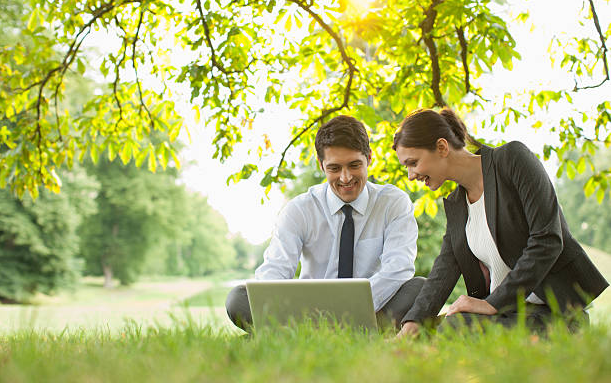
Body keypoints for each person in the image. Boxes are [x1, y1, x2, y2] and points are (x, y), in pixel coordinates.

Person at [393, 108, 608, 337]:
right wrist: (413, 323)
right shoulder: (457, 204)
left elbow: (547, 239)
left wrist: (492, 303)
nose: (410, 175)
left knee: (454, 328)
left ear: (442, 147)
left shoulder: (512, 160)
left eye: (413, 162)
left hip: (554, 313)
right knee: (433, 328)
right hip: (509, 316)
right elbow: (444, 269)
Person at [225, 115, 424, 331]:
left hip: (372, 311)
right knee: (238, 298)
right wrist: (273, 302)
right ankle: (342, 333)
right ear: (321, 165)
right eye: (335, 168)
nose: (346, 178)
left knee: (421, 288)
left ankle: (305, 335)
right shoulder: (299, 210)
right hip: (309, 312)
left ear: (369, 158)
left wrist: (353, 310)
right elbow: (275, 271)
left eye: (354, 165)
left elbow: (398, 268)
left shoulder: (393, 203)